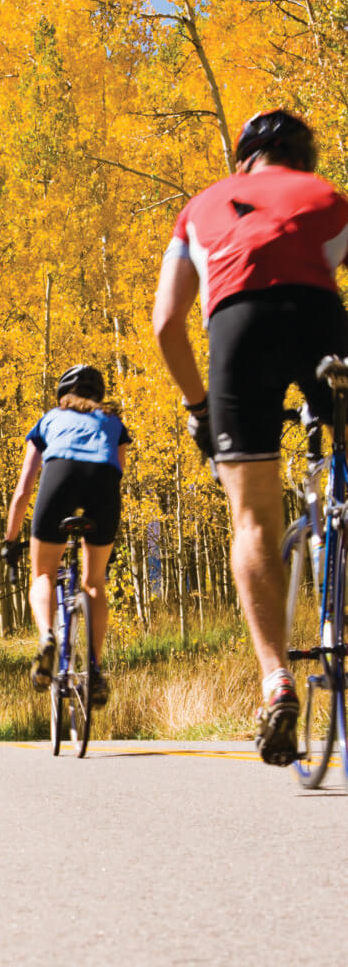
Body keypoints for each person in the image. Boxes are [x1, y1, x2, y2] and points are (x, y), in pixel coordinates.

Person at [152, 108, 348, 766]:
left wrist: (199, 409)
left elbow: (164, 325)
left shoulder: (199, 208)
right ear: (305, 159)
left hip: (237, 333)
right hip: (321, 321)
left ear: (243, 162)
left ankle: (275, 683)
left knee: (253, 520)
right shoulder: (327, 198)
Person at [2, 364, 131, 705]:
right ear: (98, 396)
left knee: (43, 572)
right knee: (94, 583)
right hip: (103, 485)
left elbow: (23, 490)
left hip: (60, 476)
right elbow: (118, 476)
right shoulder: (113, 423)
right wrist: (105, 540)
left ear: (62, 396)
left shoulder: (49, 420)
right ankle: (96, 670)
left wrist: (10, 541)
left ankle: (47, 637)